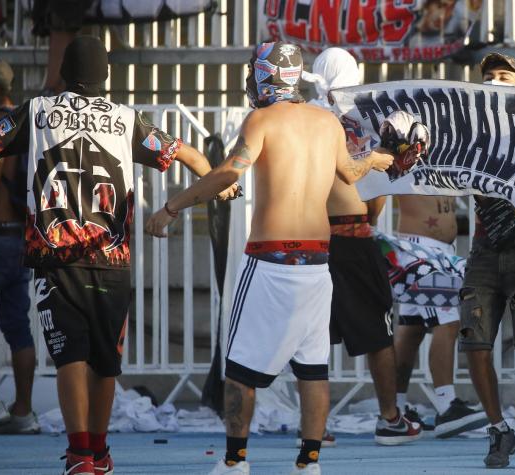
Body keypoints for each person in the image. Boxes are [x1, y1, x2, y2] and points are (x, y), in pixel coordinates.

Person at [0, 35, 237, 474]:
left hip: (55, 257)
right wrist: (223, 182)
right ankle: (99, 453)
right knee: (105, 362)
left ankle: (78, 453)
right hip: (111, 258)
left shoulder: (38, 111)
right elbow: (188, 153)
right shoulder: (126, 119)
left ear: (65, 71)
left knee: (69, 357)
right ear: (105, 75)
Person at [144, 42, 395, 474]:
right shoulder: (326, 123)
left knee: (240, 368)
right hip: (319, 263)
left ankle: (235, 463)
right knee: (313, 370)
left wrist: (170, 209)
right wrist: (379, 157)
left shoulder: (262, 119)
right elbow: (351, 172)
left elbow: (227, 172)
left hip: (271, 259)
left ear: (265, 77)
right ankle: (309, 463)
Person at [304, 46, 424, 446]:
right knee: (377, 331)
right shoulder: (362, 119)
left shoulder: (303, 119)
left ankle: (314, 425)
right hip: (351, 234)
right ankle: (390, 417)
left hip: (308, 236)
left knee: (311, 335)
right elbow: (374, 191)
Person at [458, 52, 515, 469]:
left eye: (505, 75)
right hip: (484, 249)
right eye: (489, 76)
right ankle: (498, 429)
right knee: (475, 342)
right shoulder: (471, 131)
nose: (496, 80)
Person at [392, 194, 488, 438]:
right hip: (420, 249)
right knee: (447, 321)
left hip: (437, 250)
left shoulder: (447, 154)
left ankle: (394, 410)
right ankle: (446, 405)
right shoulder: (408, 155)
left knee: (411, 329)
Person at [0, 55, 40, 435]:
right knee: (18, 327)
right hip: (20, 235)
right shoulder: (26, 125)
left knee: (17, 326)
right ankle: (23, 412)